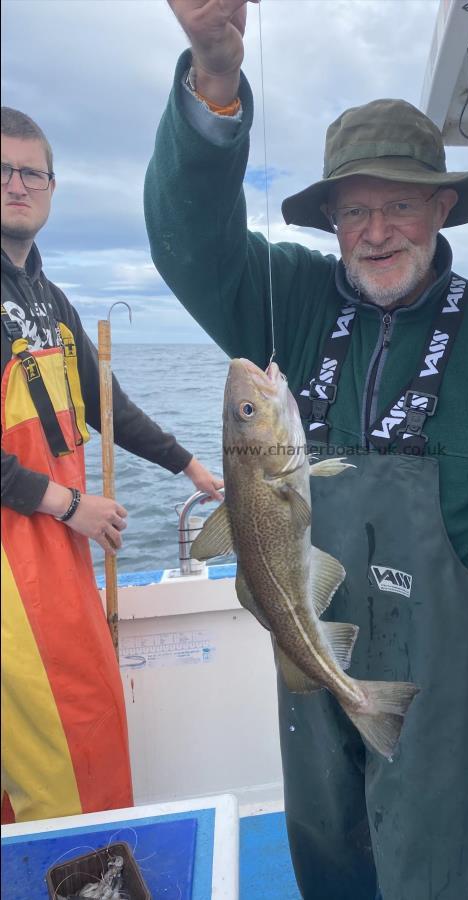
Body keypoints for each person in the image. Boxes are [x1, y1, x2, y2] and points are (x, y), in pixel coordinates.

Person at [144, 3, 468, 897]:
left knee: (432, 862)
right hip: (311, 638)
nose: (375, 231)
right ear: (327, 216)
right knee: (326, 846)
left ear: (442, 205)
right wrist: (212, 72)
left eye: (400, 203)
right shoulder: (282, 298)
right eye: (353, 208)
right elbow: (188, 241)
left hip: (441, 672)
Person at [1, 106, 223, 824]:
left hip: (58, 559)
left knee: (86, 727)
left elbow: (107, 405)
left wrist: (187, 463)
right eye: (1, 171)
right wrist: (69, 505)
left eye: (30, 171)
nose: (16, 185)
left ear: (53, 187)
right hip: (15, 571)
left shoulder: (48, 297)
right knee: (50, 757)